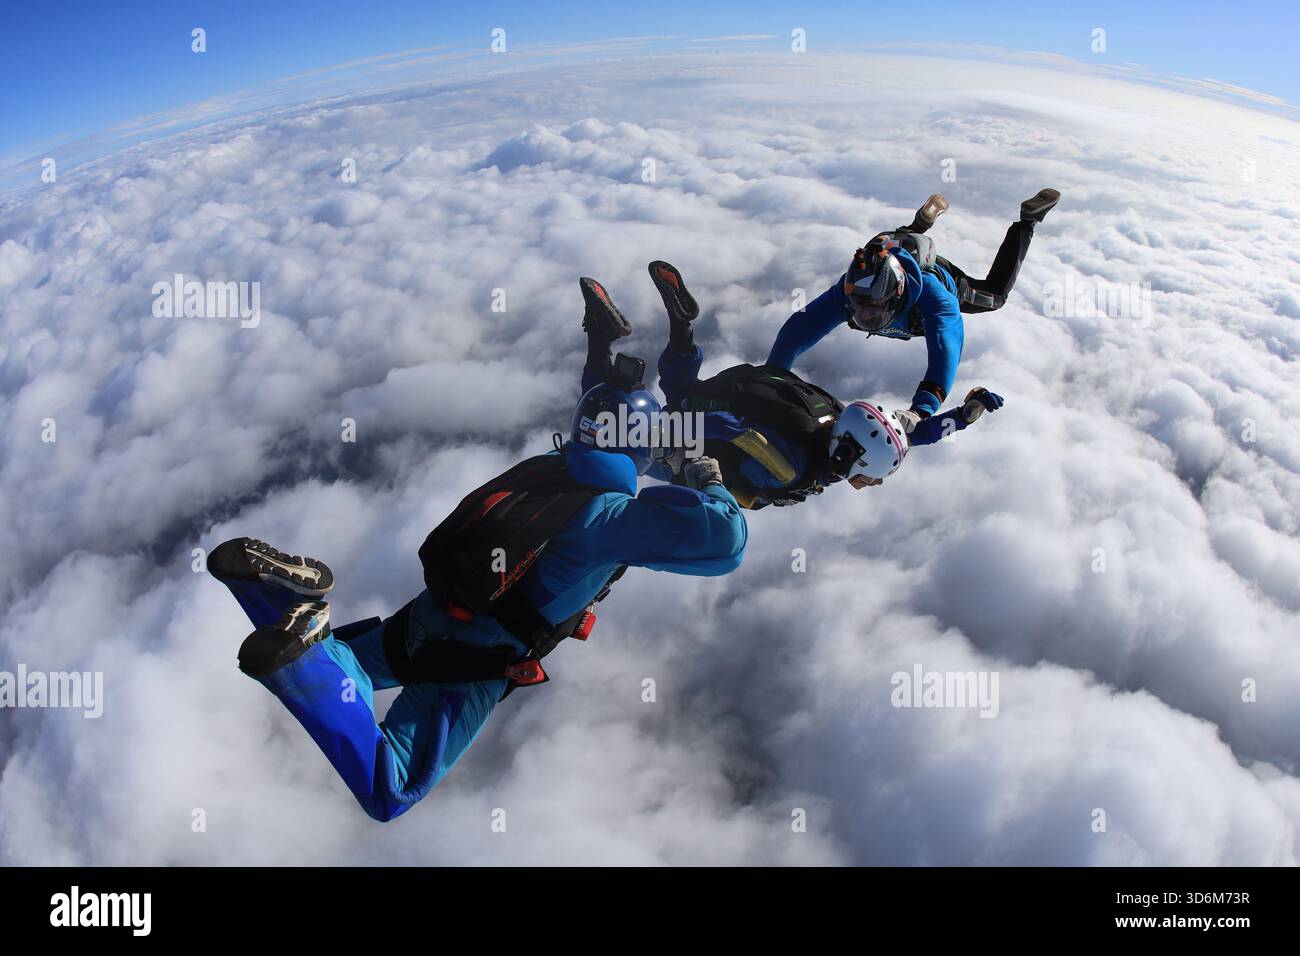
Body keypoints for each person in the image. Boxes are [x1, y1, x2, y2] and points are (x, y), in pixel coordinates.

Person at [210, 363, 747, 822]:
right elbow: (727, 542)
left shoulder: (551, 467)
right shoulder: (609, 517)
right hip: (472, 658)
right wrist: (705, 475)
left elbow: (599, 413)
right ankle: (304, 653)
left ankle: (263, 590)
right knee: (388, 788)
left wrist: (607, 370)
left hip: (425, 615)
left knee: (347, 666)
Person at [580, 262, 1005, 510]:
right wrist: (668, 433)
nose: (871, 484)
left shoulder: (846, 422)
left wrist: (967, 416)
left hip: (739, 386)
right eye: (871, 477)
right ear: (852, 458)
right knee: (602, 435)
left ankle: (681, 327)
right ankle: (605, 335)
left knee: (678, 387)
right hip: (695, 439)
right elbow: (734, 430)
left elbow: (912, 434)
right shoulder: (800, 467)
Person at [765, 189, 1057, 433]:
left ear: (898, 295)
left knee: (995, 296)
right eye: (859, 309)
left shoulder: (939, 301)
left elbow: (946, 353)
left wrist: (921, 410)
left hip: (938, 274)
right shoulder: (848, 292)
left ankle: (1027, 222)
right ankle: (920, 223)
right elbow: (796, 332)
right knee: (885, 245)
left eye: (874, 310)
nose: (866, 318)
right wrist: (772, 376)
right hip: (886, 247)